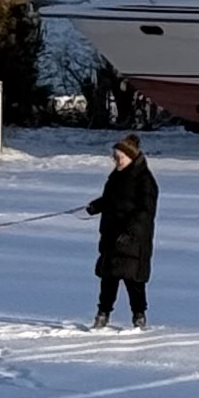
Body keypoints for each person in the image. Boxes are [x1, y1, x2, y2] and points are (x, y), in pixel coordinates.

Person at [85, 135, 158, 330]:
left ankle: (139, 315)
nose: (116, 161)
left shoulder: (145, 180)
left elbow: (145, 211)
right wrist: (96, 206)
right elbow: (112, 199)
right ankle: (102, 314)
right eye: (114, 157)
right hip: (111, 235)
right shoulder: (117, 176)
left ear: (131, 157)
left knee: (133, 280)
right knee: (108, 278)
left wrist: (130, 232)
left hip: (133, 240)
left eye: (120, 157)